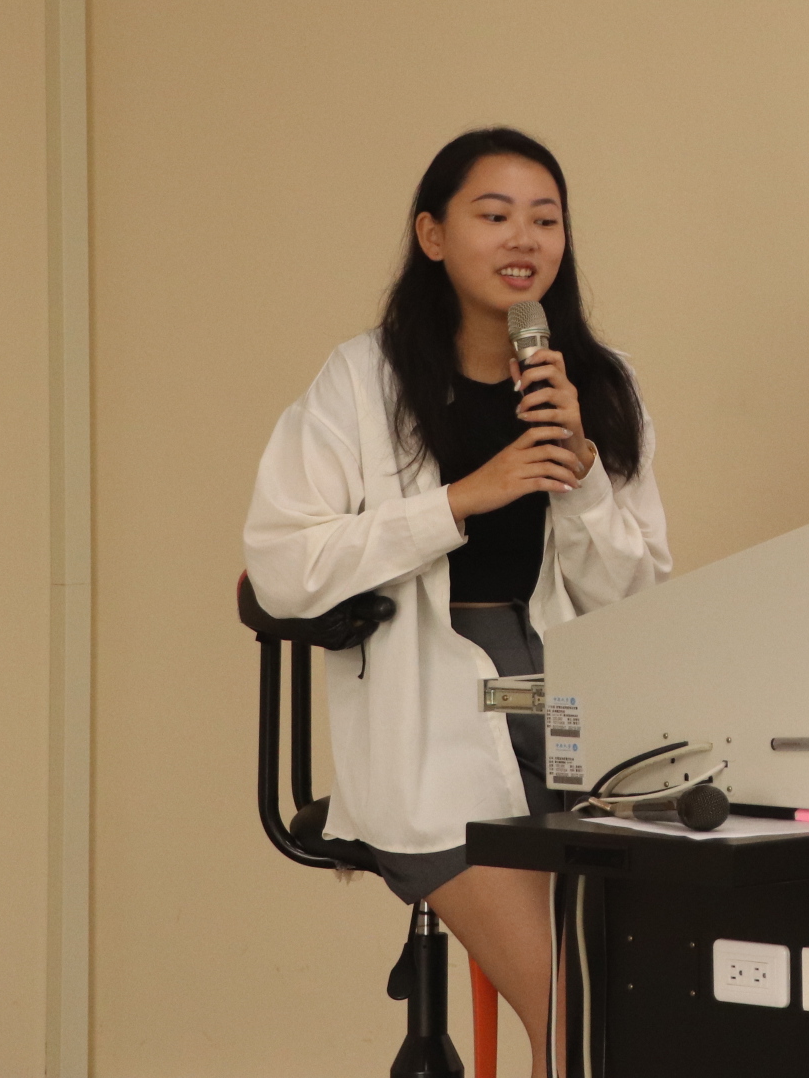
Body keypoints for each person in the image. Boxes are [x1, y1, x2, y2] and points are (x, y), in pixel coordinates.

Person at [244, 127, 669, 1069]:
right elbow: (280, 562)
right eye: (495, 214)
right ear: (433, 235)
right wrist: (461, 500)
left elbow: (638, 597)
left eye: (546, 219)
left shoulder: (598, 385)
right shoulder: (362, 382)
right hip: (430, 718)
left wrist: (582, 479)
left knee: (652, 993)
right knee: (580, 1008)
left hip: (572, 705)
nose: (525, 238)